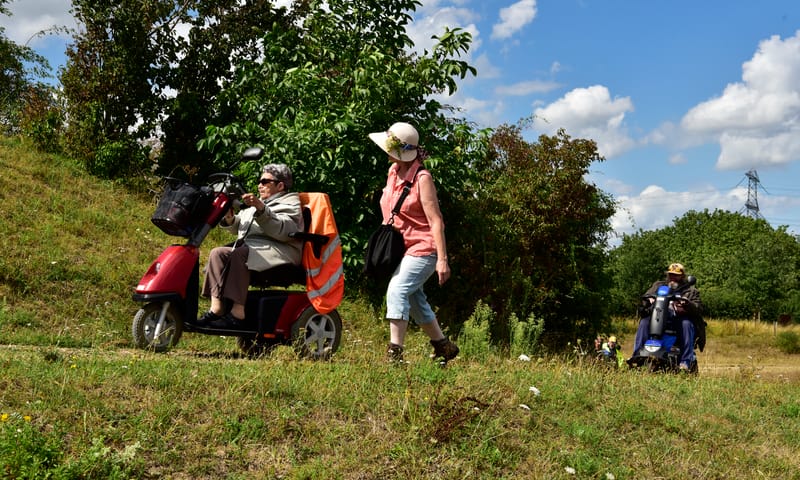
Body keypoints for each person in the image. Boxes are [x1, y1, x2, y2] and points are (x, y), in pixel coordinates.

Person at [368, 121, 459, 364]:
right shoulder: (393, 172)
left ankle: (394, 354)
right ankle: (443, 346)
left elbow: (436, 220)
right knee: (415, 298)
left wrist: (442, 260)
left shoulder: (422, 178)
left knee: (397, 289)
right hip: (402, 248)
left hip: (424, 248)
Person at [198, 164, 304, 328]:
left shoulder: (290, 203)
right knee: (218, 253)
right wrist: (230, 219)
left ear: (280, 185)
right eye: (259, 181)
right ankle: (217, 308)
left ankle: (237, 313)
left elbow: (283, 230)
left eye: (265, 181)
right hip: (253, 247)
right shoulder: (260, 203)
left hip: (281, 250)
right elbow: (241, 226)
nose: (259, 184)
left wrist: (261, 209)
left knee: (239, 254)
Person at [629, 263, 703, 371]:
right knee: (644, 322)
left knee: (686, 324)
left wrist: (687, 304)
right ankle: (637, 356)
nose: (673, 277)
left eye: (676, 275)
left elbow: (698, 308)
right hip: (659, 316)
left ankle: (685, 361)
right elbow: (645, 297)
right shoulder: (658, 285)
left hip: (678, 319)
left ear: (682, 276)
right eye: (671, 274)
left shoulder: (691, 291)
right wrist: (648, 300)